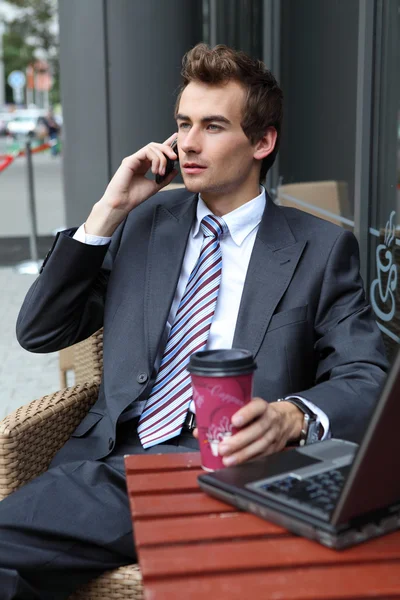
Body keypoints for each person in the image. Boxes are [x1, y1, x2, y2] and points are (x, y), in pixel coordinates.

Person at [0, 43, 387, 598]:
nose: (187, 142)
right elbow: (39, 331)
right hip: (119, 466)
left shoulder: (321, 249)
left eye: (212, 125)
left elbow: (367, 377)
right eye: (183, 123)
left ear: (262, 142)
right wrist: (106, 212)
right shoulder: (145, 222)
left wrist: (291, 416)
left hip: (241, 474)